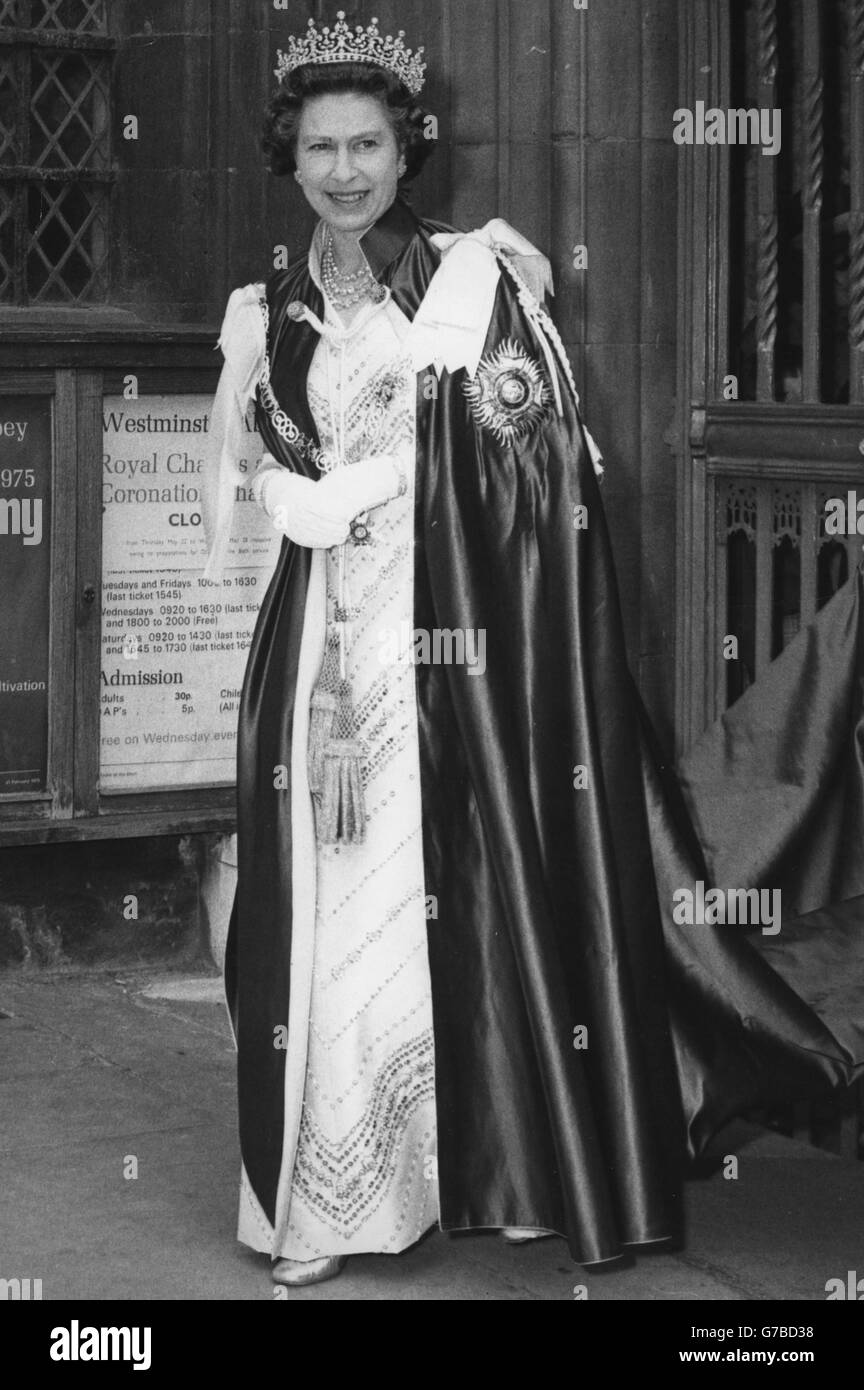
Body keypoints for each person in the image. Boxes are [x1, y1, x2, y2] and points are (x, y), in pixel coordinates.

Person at [204, 11, 864, 1290]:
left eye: (370, 146)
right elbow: (246, 469)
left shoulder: (475, 281)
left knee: (437, 906)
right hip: (318, 666)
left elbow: (546, 467)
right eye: (322, 147)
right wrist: (293, 499)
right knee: (323, 919)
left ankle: (485, 1163)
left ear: (408, 155)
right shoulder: (265, 307)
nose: (345, 170)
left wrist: (392, 480)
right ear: (293, 159)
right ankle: (334, 1202)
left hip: (454, 653)